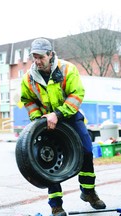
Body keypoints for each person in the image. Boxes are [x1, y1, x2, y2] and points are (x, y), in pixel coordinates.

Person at [20, 38, 106, 216]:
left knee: (87, 151)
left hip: (69, 116)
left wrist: (58, 114)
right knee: (47, 161)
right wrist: (38, 120)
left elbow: (77, 94)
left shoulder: (67, 69)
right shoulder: (29, 78)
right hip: (46, 122)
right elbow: (27, 100)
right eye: (34, 57)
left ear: (50, 55)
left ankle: (88, 192)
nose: (37, 61)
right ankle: (56, 205)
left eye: (40, 57)